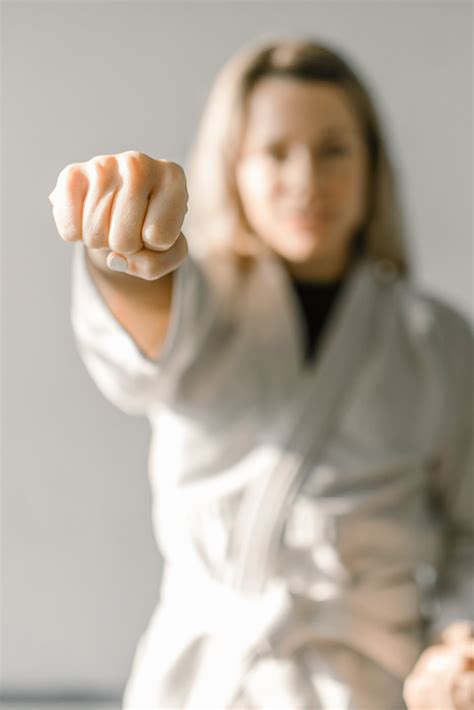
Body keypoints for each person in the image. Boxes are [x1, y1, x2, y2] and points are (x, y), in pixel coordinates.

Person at [48, 37, 473, 709]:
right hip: (205, 685)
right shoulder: (204, 301)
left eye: (334, 149)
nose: (306, 180)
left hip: (367, 685)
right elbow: (142, 323)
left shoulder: (438, 341)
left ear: (372, 168)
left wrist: (458, 640)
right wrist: (120, 248)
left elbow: (468, 529)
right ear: (234, 168)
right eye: (275, 153)